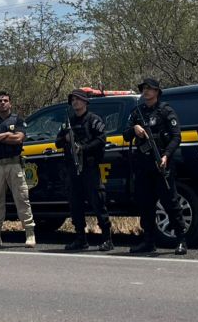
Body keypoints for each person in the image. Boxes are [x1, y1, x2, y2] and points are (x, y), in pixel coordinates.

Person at [123, 78, 187, 255]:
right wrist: (134, 128)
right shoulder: (137, 112)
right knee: (145, 204)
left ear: (157, 91)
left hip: (161, 163)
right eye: (144, 88)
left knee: (170, 202)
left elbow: (176, 137)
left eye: (150, 89)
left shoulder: (165, 111)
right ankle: (148, 241)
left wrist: (166, 155)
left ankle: (181, 239)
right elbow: (126, 134)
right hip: (143, 165)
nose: (146, 91)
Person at [55, 89, 114, 251]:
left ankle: (107, 239)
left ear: (85, 102)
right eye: (73, 100)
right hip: (72, 169)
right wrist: (65, 138)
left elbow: (101, 140)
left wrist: (83, 148)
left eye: (78, 99)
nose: (75, 102)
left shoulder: (93, 120)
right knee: (75, 204)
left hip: (89, 167)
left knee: (98, 202)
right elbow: (57, 142)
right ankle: (81, 239)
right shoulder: (68, 122)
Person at [0, 91, 35, 248]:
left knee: (22, 198)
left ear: (10, 103)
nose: (2, 103)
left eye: (5, 100)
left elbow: (18, 138)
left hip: (14, 164)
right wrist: (6, 134)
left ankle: (30, 233)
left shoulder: (17, 120)